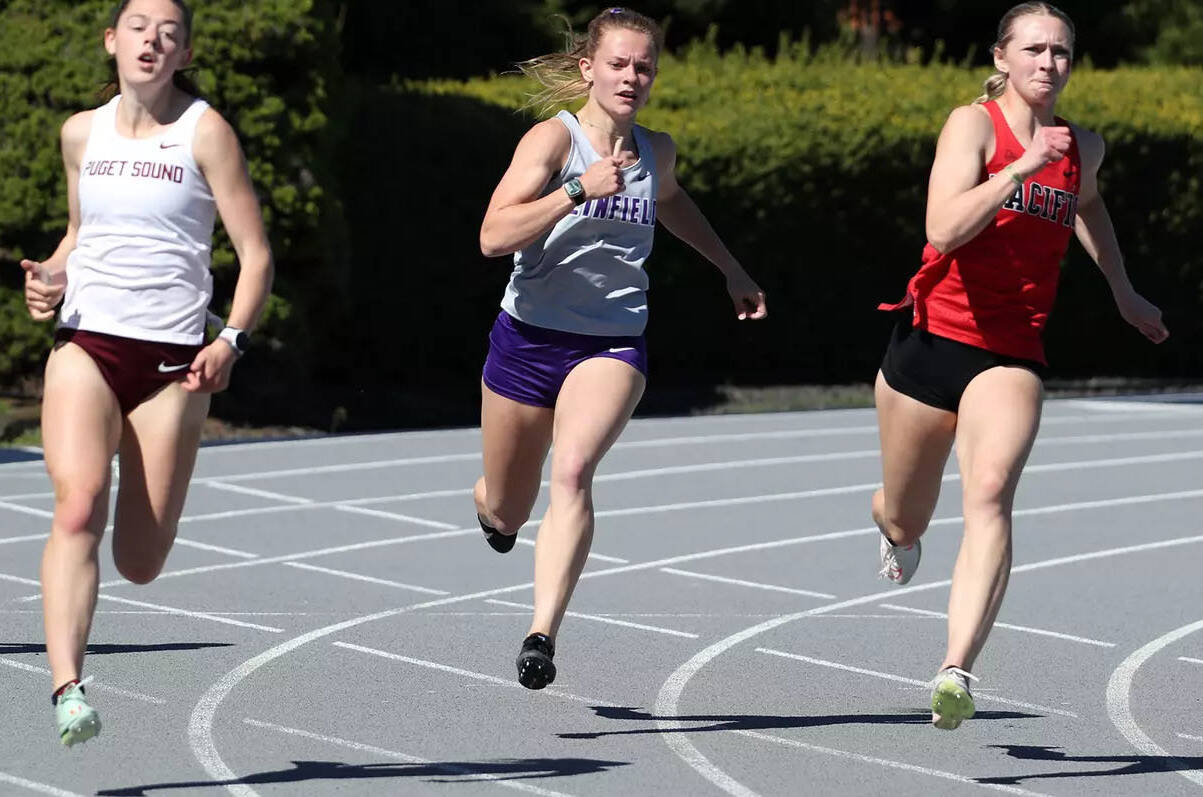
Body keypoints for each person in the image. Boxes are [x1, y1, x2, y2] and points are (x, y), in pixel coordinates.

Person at [872, 1, 1168, 730]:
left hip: (1010, 351)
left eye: (1060, 51)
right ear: (1001, 57)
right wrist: (1021, 169)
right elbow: (941, 227)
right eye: (1033, 49)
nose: (1048, 63)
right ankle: (893, 530)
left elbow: (1087, 206)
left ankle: (954, 668)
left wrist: (1123, 291)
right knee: (905, 513)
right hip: (929, 340)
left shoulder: (1081, 147)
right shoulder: (971, 124)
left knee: (991, 492)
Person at [473, 7, 767, 690]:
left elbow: (672, 200)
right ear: (588, 69)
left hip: (609, 343)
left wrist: (730, 268)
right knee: (508, 508)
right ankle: (489, 505)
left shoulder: (656, 151)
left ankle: (541, 632)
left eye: (643, 66)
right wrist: (577, 189)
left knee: (571, 471)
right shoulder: (553, 142)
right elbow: (492, 235)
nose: (631, 76)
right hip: (525, 340)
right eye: (617, 63)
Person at [21, 0, 273, 746]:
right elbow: (79, 232)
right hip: (88, 345)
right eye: (138, 27)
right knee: (77, 504)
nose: (152, 41)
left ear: (183, 53)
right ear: (112, 41)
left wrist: (230, 339)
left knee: (140, 560)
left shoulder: (206, 133)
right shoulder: (80, 133)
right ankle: (68, 686)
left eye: (168, 32)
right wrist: (50, 278)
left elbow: (254, 254)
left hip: (171, 367)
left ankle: (150, 467)